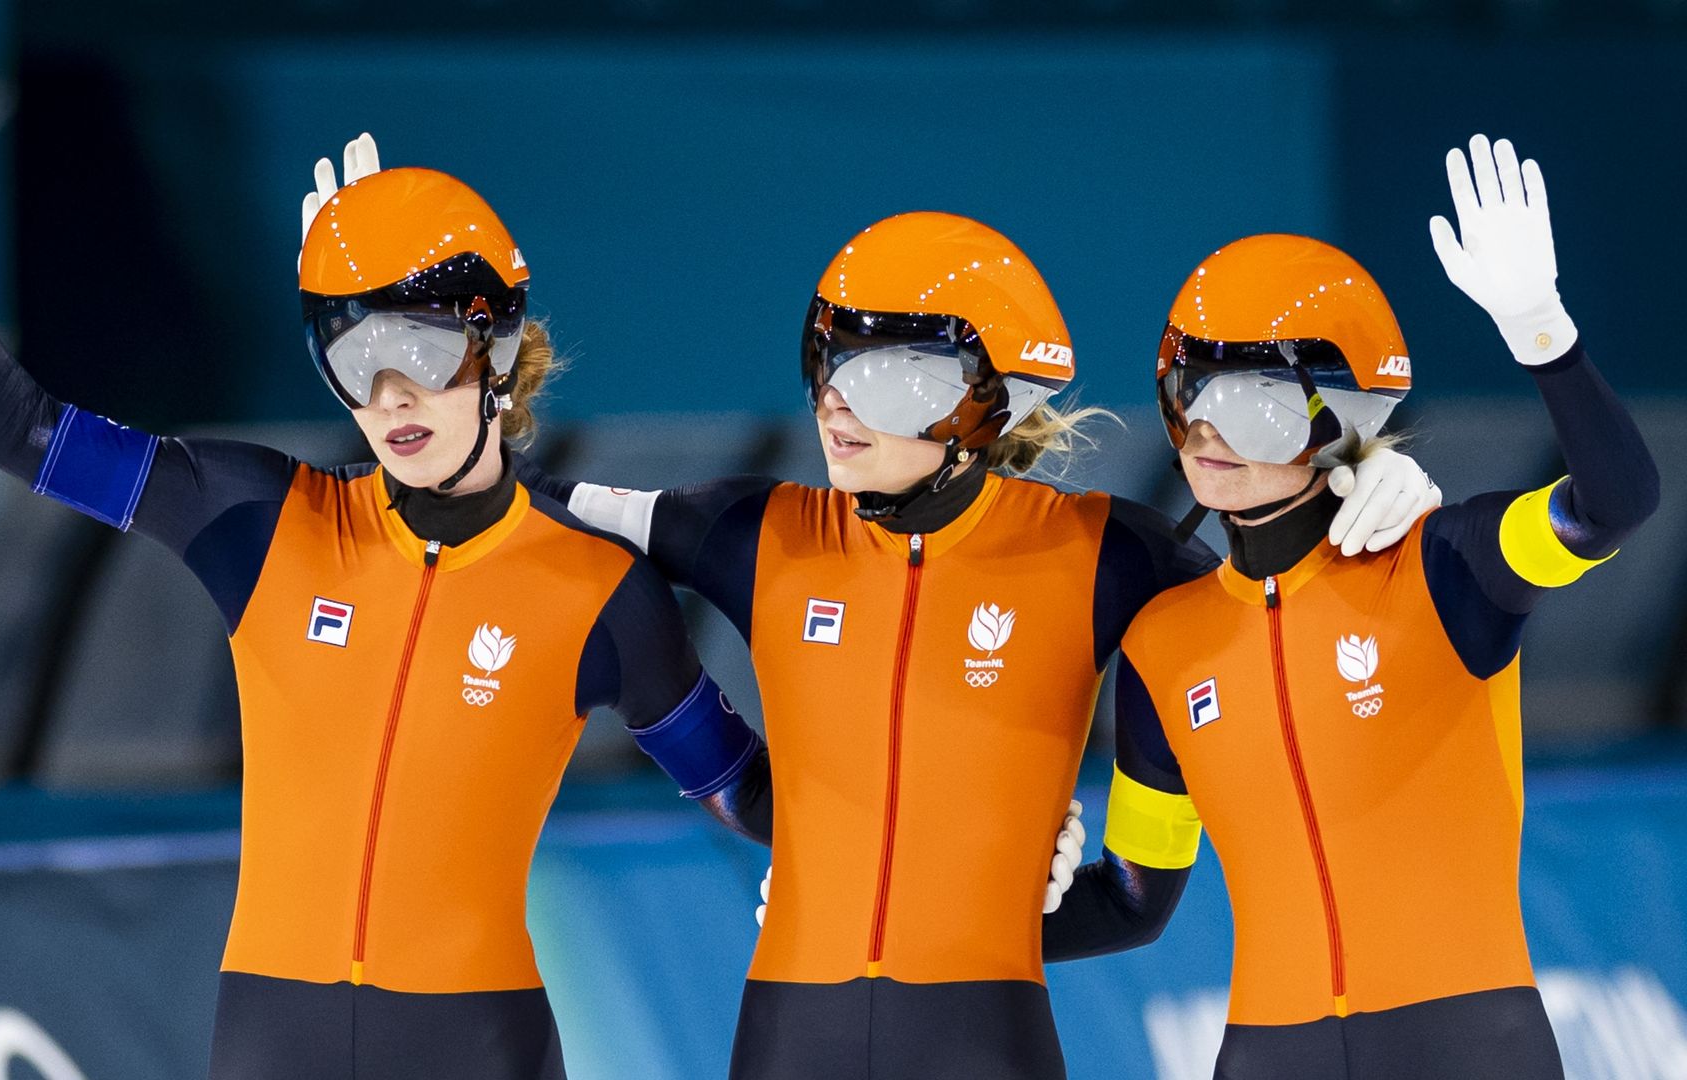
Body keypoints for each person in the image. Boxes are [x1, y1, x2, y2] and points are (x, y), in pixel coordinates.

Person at [0, 40, 771, 1080]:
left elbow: (738, 787)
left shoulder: (599, 592)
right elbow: (25, 434)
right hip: (276, 1039)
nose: (390, 398)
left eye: (418, 353)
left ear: (497, 351)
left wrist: (838, 875)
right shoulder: (259, 519)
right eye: (356, 359)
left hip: (479, 1044)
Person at [513, 205, 1441, 1078]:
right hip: (790, 1027)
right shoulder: (757, 534)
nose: (836, 404)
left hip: (984, 1035)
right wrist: (419, 338)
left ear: (980, 405)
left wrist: (1363, 471)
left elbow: (1286, 617)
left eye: (882, 378)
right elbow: (511, 499)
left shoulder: (1110, 557)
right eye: (826, 361)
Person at [1041, 135, 1659, 1080]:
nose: (1207, 431)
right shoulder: (1167, 643)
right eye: (1187, 391)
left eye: (1255, 403)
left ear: (1350, 416)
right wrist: (953, 927)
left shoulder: (1451, 567)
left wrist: (1545, 332)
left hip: (1469, 1047)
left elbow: (1615, 501)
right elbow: (1132, 897)